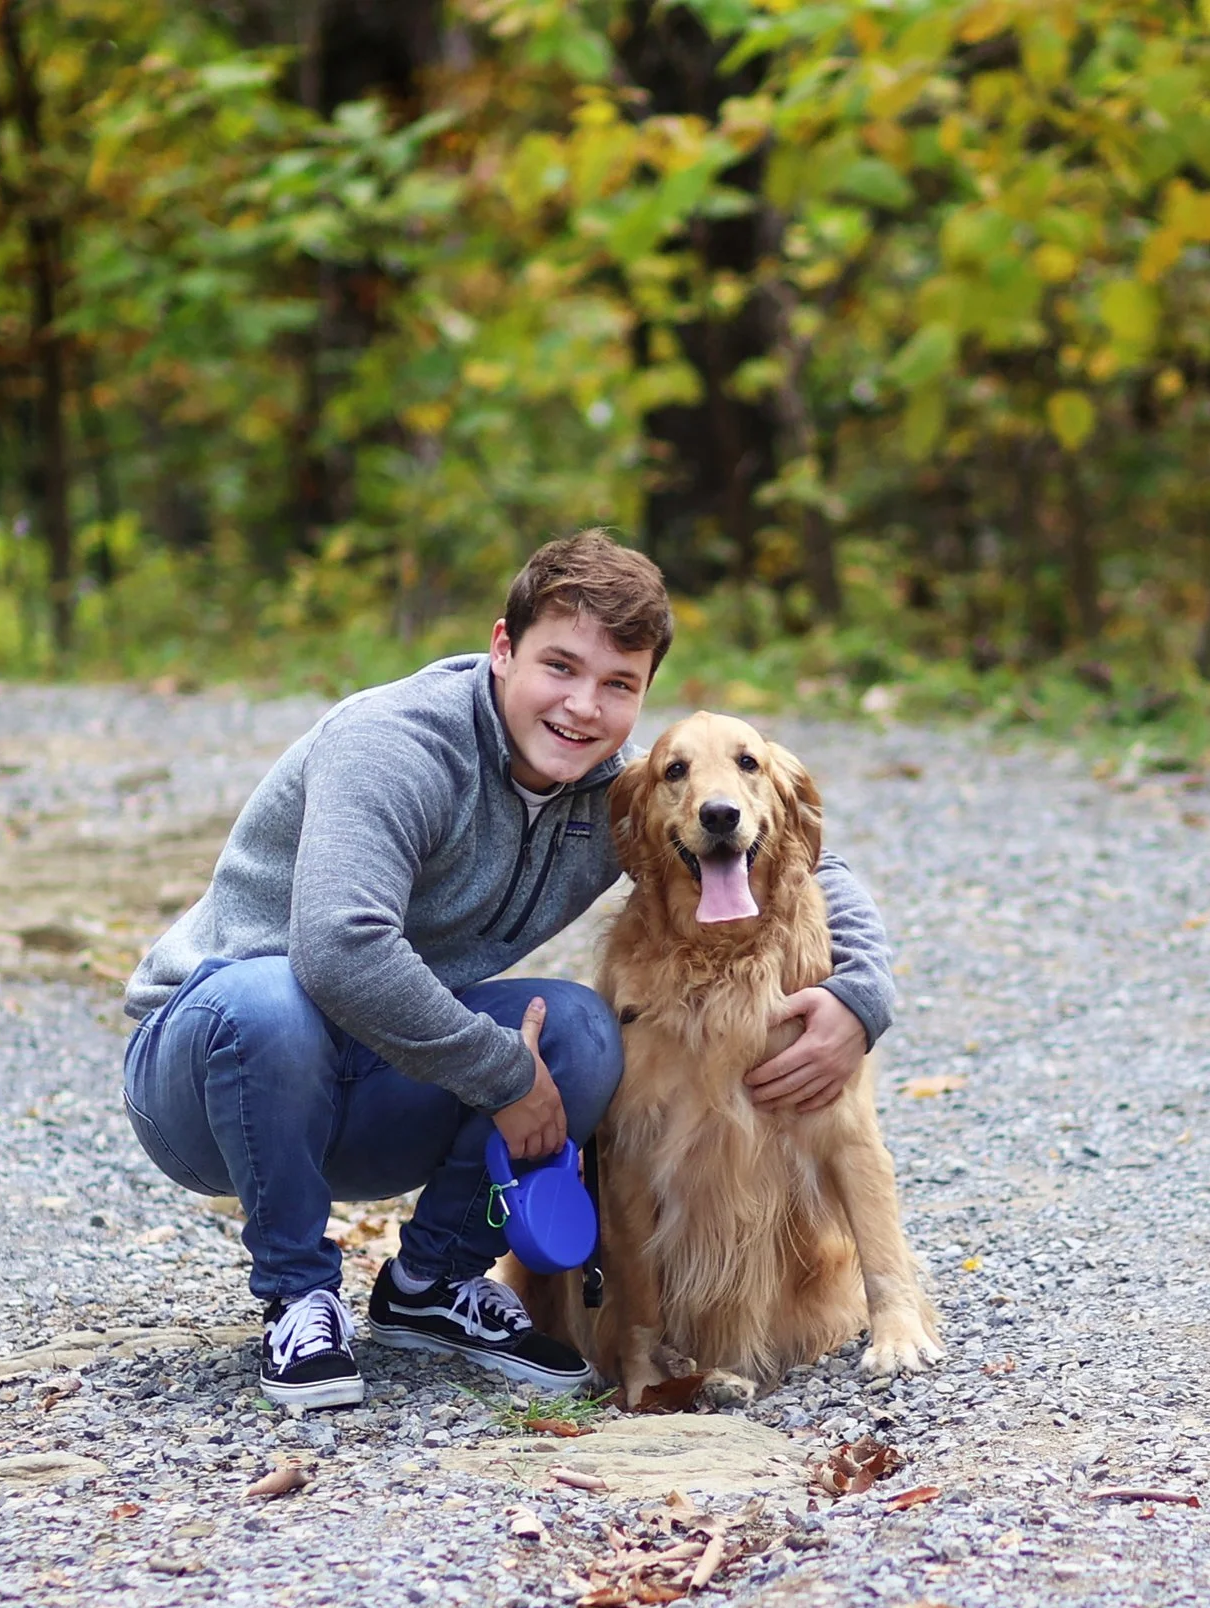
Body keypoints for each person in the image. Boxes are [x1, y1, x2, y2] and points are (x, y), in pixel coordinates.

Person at [120, 531, 897, 1408]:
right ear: (501, 648)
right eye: (558, 666)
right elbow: (338, 948)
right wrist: (502, 1074)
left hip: (372, 1084)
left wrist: (858, 996)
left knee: (575, 1031)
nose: (580, 705)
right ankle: (298, 1294)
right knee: (272, 999)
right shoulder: (394, 743)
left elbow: (801, 854)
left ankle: (432, 1286)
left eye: (616, 684)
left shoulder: (620, 793)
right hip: (208, 1078)